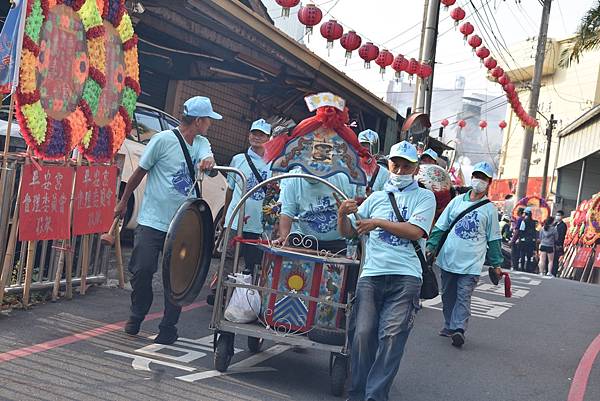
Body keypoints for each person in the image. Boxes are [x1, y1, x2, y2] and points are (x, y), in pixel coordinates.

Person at [115, 96, 220, 344]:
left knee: (177, 276)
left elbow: (208, 159)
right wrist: (122, 201)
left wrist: (209, 162)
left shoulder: (202, 143)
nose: (210, 125)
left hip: (184, 224)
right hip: (153, 220)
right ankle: (138, 312)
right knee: (142, 270)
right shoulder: (162, 141)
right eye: (208, 120)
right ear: (198, 120)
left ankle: (168, 327)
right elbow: (140, 172)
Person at [337, 141, 436, 401]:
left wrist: (378, 222)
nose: (400, 170)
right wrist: (342, 215)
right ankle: (358, 392)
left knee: (392, 337)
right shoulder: (377, 198)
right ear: (389, 164)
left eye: (407, 166)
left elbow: (416, 231)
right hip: (371, 275)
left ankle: (374, 396)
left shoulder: (425, 197)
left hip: (406, 277)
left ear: (415, 169)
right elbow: (350, 231)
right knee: (362, 334)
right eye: (396, 165)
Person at [426, 161, 503, 348]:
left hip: (472, 264)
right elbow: (440, 227)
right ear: (472, 177)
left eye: (483, 178)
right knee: (448, 295)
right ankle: (449, 324)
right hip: (448, 258)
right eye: (477, 176)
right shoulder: (456, 202)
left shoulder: (489, 209)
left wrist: (496, 263)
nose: (479, 181)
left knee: (463, 295)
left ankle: (459, 328)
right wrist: (431, 246)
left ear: (489, 182)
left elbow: (493, 239)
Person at [220, 119, 272, 275]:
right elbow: (230, 189)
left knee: (254, 263)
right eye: (254, 133)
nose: (256, 137)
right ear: (249, 135)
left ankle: (248, 297)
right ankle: (220, 291)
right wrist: (225, 215)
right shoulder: (238, 159)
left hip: (259, 222)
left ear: (268, 138)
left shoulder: (272, 163)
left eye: (261, 134)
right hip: (235, 220)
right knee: (228, 257)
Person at [275, 170, 356, 253]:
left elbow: (351, 212)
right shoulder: (294, 181)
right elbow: (287, 212)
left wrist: (344, 211)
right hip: (304, 239)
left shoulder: (341, 178)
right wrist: (284, 237)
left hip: (337, 242)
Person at [357, 129, 390, 197]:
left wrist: (373, 198)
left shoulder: (384, 173)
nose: (366, 151)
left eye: (372, 148)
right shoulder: (348, 170)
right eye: (363, 146)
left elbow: (385, 199)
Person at [518, 208, 538, 272]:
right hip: (531, 241)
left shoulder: (524, 221)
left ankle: (522, 268)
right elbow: (534, 232)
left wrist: (520, 238)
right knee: (529, 256)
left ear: (525, 213)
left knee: (523, 254)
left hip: (524, 241)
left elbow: (521, 231)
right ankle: (528, 268)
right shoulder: (533, 222)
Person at [553, 210, 568, 276]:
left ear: (562, 216)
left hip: (558, 244)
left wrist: (559, 244)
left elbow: (562, 236)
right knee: (551, 258)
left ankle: (554, 272)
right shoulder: (555, 224)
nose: (557, 217)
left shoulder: (563, 225)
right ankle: (549, 270)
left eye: (559, 215)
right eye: (557, 215)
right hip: (552, 244)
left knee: (555, 259)